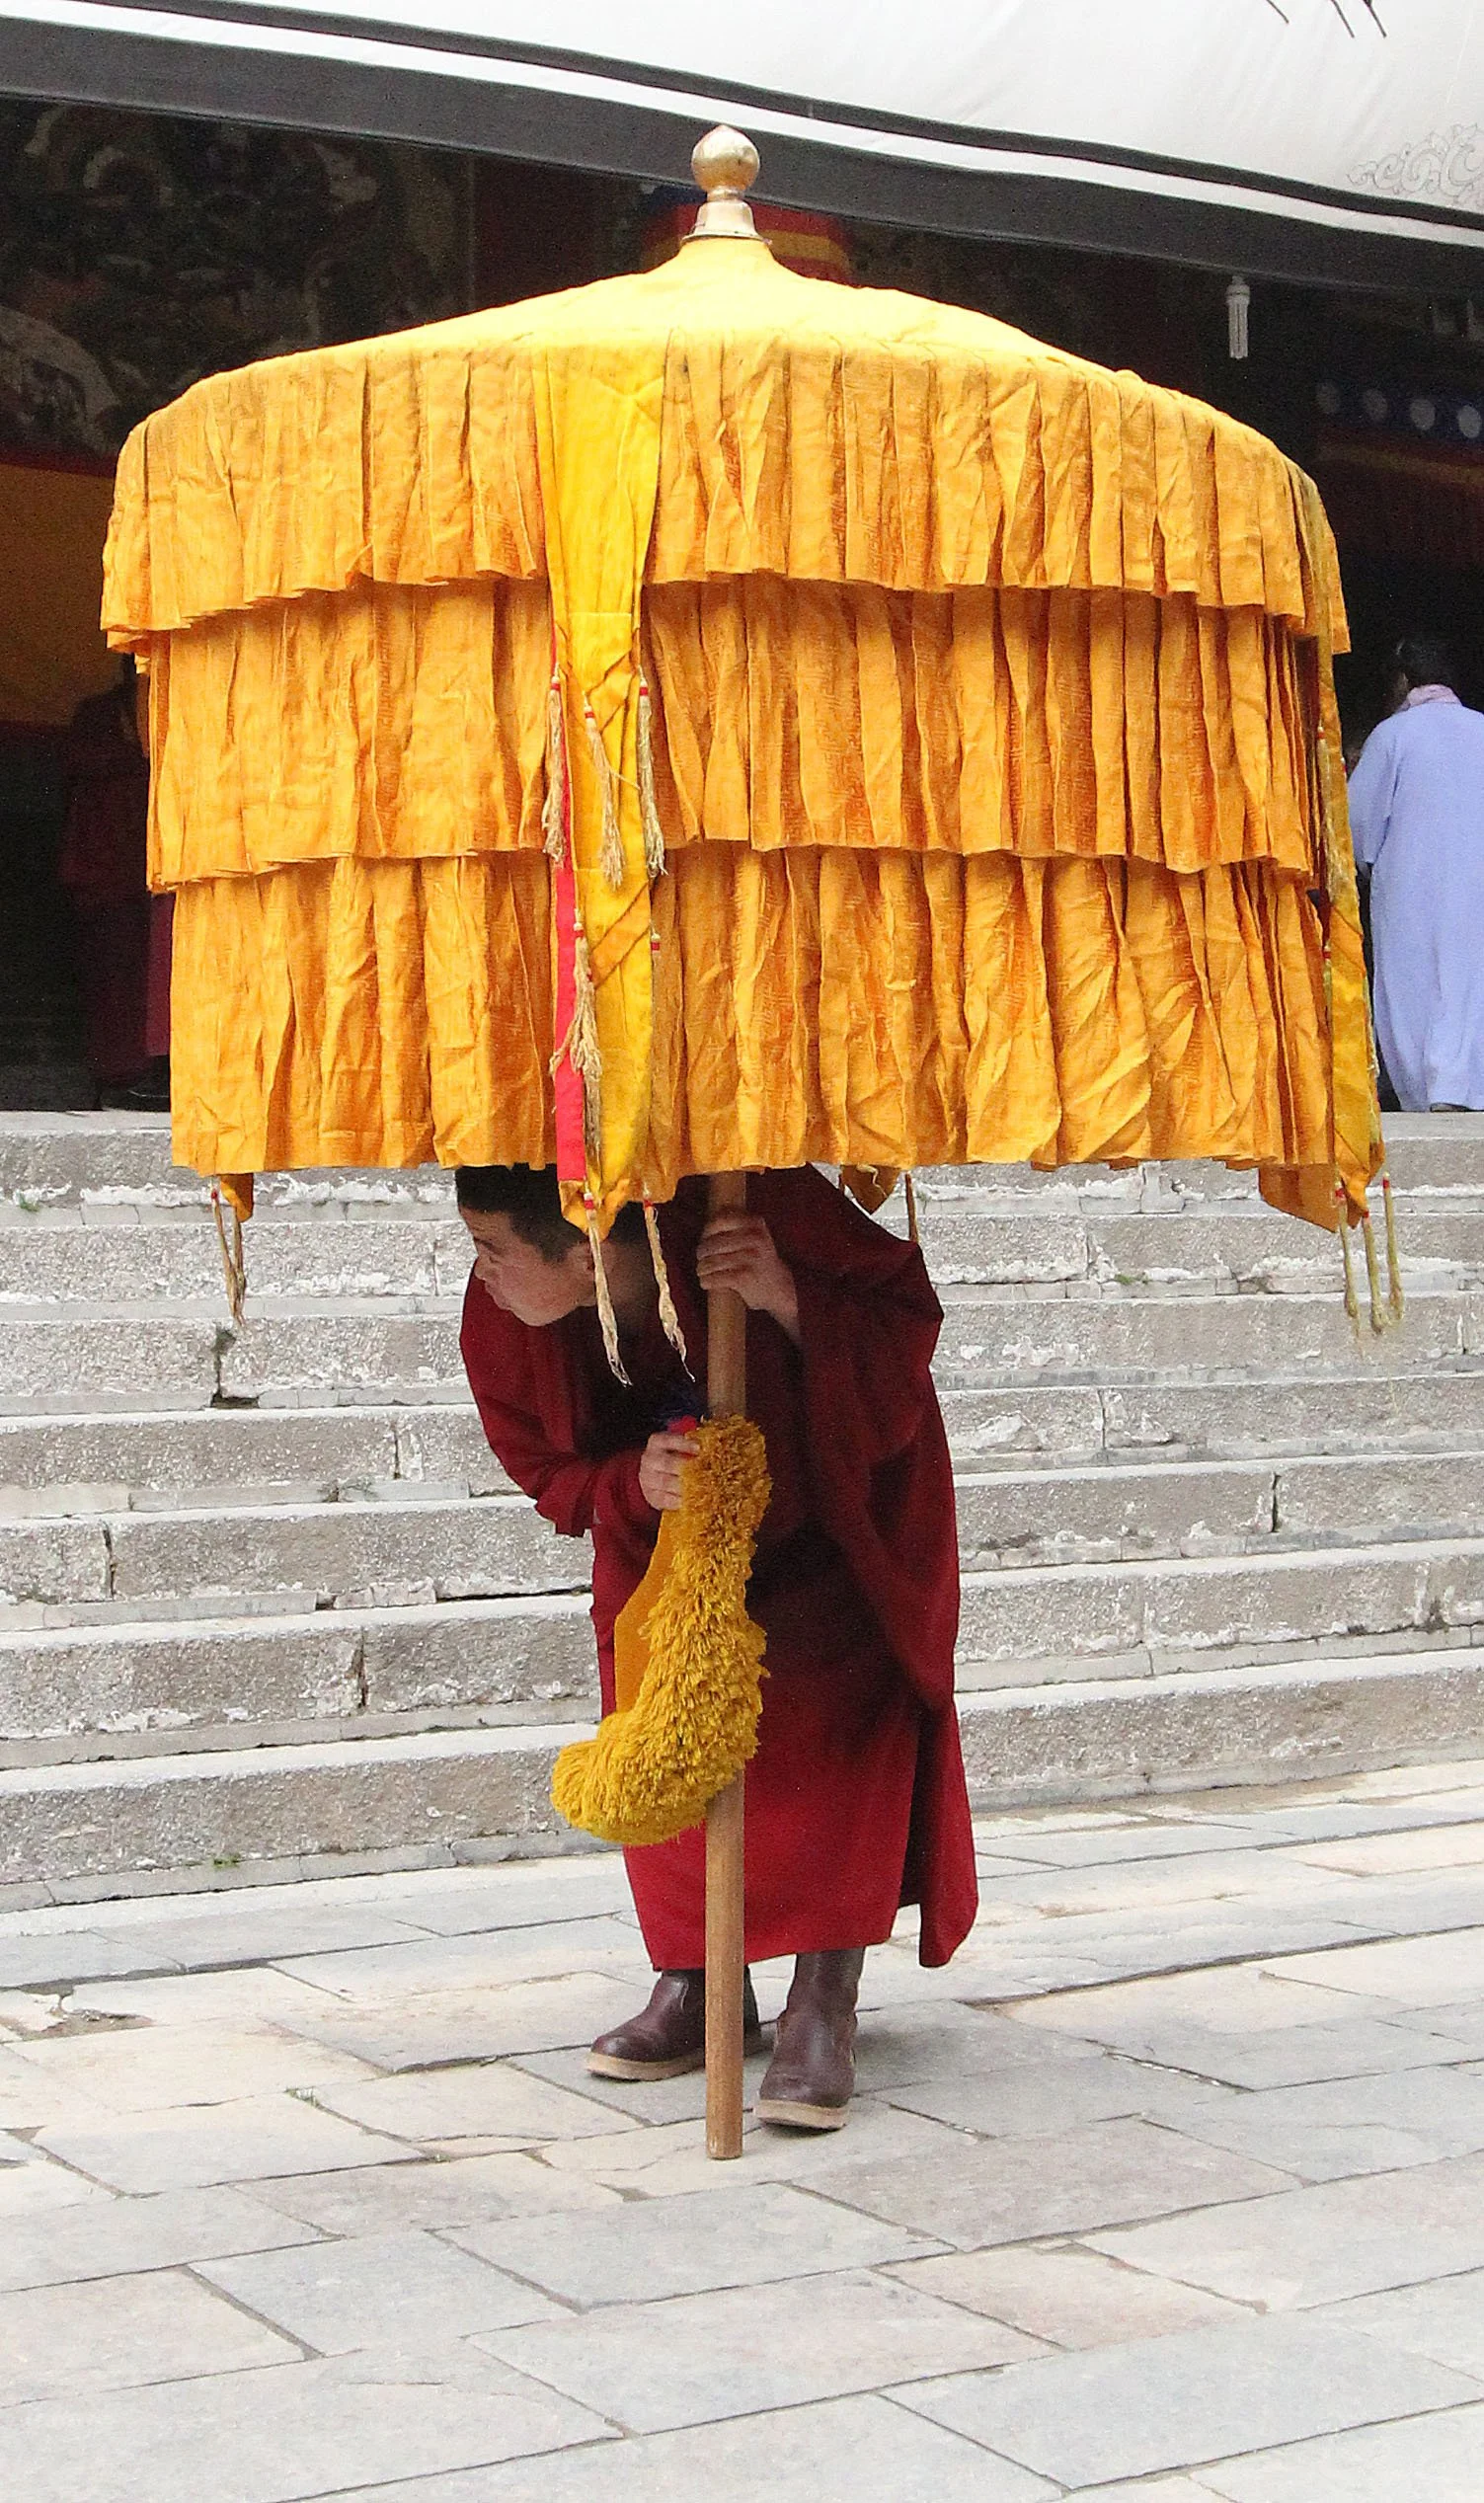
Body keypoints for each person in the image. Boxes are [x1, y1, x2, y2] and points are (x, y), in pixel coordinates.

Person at [457, 1163, 978, 2130]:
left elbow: (904, 1324)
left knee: (831, 1742)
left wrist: (786, 1295)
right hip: (667, 1546)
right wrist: (631, 1482)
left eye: (491, 1249)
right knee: (663, 1732)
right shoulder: (503, 1312)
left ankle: (824, 1997)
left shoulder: (747, 1198)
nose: (478, 1271)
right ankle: (696, 1980)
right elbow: (542, 1466)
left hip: (831, 1520)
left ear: (583, 1251)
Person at [1348, 636, 1484, 1113]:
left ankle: (1428, 1091)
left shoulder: (1392, 736)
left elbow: (1359, 820)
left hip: (1412, 882)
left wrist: (1364, 864)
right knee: (1470, 979)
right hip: (1476, 881)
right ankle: (1464, 1086)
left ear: (1403, 681)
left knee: (1413, 982)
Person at [58, 656, 169, 1108]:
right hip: (108, 865)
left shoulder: (178, 706)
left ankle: (153, 1069)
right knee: (112, 974)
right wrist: (136, 756)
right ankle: (115, 1071)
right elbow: (75, 761)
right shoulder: (99, 712)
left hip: (161, 862)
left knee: (155, 972)